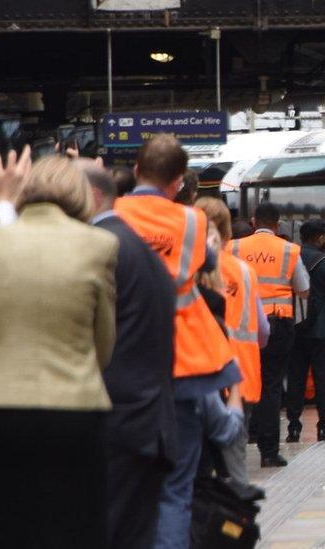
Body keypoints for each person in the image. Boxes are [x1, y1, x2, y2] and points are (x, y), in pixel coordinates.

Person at [114, 134, 241, 549]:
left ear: (136, 171)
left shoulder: (111, 215)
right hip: (183, 362)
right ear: (178, 181)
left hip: (123, 361)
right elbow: (206, 262)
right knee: (176, 486)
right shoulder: (192, 222)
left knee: (122, 482)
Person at [0, 156, 117, 548]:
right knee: (76, 525)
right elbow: (104, 344)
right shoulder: (100, 245)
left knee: (5, 524)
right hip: (75, 409)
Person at [80, 161, 179, 549]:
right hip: (148, 421)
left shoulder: (104, 249)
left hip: (118, 421)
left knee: (109, 532)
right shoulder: (139, 249)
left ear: (91, 197)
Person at [229, 202, 309, 467]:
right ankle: (269, 451)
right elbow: (304, 288)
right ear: (278, 224)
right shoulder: (289, 250)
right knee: (272, 386)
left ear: (253, 222)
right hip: (279, 325)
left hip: (244, 325)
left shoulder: (236, 247)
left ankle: (240, 442)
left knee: (240, 384)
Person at [196, 196, 269, 483]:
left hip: (198, 376)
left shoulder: (186, 267)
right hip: (241, 377)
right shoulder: (246, 272)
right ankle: (233, 523)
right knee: (234, 470)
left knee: (196, 471)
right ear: (227, 233)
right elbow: (262, 330)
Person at [286, 218, 325, 443]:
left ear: (302, 237)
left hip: (296, 327)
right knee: (324, 379)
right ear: (321, 237)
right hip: (322, 331)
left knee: (296, 378)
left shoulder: (292, 257)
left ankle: (293, 427)